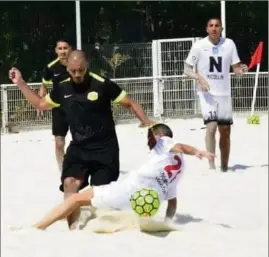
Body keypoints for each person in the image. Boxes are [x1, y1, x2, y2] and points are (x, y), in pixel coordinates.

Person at [8, 50, 155, 229]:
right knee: (70, 183)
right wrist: (21, 83)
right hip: (79, 147)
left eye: (81, 70)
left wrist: (147, 122)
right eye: (73, 71)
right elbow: (40, 104)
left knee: (99, 195)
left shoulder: (102, 84)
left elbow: (130, 103)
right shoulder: (62, 88)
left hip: (105, 149)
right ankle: (73, 228)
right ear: (67, 68)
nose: (77, 74)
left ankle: (86, 213)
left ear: (87, 66)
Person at [32, 123, 214, 230]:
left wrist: (198, 150)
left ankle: (38, 227)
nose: (149, 141)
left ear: (159, 136)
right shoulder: (179, 169)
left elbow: (181, 146)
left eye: (150, 136)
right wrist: (166, 223)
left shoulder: (164, 142)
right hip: (142, 204)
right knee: (98, 207)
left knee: (76, 198)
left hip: (129, 189)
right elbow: (172, 203)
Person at [184, 17, 248, 172]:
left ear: (221, 29)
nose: (214, 28)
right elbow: (186, 69)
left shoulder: (229, 44)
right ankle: (211, 165)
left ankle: (225, 168)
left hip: (224, 93)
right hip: (207, 94)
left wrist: (242, 70)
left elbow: (236, 69)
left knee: (225, 131)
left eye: (217, 26)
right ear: (206, 29)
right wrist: (200, 78)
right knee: (211, 127)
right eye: (211, 26)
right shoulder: (199, 46)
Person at [38, 39, 72, 172]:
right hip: (59, 109)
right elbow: (43, 86)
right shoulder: (51, 67)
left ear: (70, 49)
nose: (63, 51)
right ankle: (63, 171)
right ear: (56, 51)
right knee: (59, 143)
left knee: (85, 141)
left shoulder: (77, 63)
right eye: (60, 48)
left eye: (65, 48)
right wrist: (40, 104)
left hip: (78, 109)